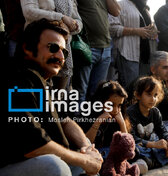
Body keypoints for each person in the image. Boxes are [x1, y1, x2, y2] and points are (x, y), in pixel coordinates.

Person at [0, 19, 103, 176]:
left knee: (81, 157)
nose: (61, 56)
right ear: (27, 48)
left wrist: (86, 148)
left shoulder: (44, 83)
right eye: (53, 48)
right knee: (55, 166)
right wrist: (86, 161)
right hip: (9, 165)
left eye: (64, 51)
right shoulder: (18, 79)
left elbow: (65, 121)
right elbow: (33, 145)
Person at [20, 0, 82, 90]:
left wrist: (74, 26)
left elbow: (78, 20)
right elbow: (29, 12)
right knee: (36, 93)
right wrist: (60, 17)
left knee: (59, 99)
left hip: (63, 51)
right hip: (39, 51)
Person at [65, 0, 121, 102]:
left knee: (96, 94)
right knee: (80, 93)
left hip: (105, 49)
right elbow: (63, 10)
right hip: (86, 48)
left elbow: (116, 11)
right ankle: (78, 124)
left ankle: (91, 124)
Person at [108, 0, 157, 87]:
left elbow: (151, 31)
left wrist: (153, 30)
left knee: (142, 90)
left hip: (145, 56)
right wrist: (136, 31)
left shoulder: (144, 8)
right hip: (127, 54)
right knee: (130, 90)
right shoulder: (120, 5)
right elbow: (112, 28)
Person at [127, 76, 168, 170]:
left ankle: (149, 162)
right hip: (141, 146)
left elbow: (162, 130)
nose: (153, 99)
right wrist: (154, 145)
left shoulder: (155, 112)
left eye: (155, 95)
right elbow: (132, 138)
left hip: (151, 147)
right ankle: (161, 159)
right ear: (138, 95)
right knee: (132, 149)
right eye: (149, 94)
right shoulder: (130, 112)